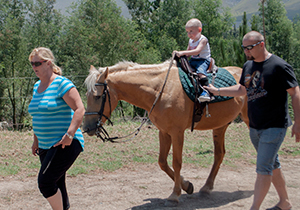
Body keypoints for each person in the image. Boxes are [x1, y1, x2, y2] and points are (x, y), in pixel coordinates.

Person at [205, 31, 300, 210]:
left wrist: (299, 122)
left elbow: (295, 93)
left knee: (263, 168)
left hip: (274, 126)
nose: (246, 51)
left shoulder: (279, 65)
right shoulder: (248, 66)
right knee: (273, 163)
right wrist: (216, 91)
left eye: (249, 47)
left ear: (261, 45)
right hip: (255, 127)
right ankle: (285, 202)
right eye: (244, 48)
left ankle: (254, 208)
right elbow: (242, 90)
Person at [28, 47, 85, 210]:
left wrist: (69, 134)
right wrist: (36, 141)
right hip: (45, 145)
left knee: (45, 183)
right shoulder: (36, 86)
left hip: (65, 142)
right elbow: (38, 114)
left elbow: (80, 109)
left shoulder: (62, 83)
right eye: (32, 63)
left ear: (48, 63)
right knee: (57, 183)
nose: (34, 67)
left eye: (37, 63)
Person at [173, 18, 213, 102]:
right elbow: (188, 53)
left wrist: (182, 52)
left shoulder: (203, 40)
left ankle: (207, 91)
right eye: (187, 32)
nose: (189, 34)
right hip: (193, 60)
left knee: (200, 73)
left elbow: (197, 51)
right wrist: (179, 54)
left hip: (203, 60)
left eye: (191, 31)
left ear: (199, 30)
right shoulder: (191, 40)